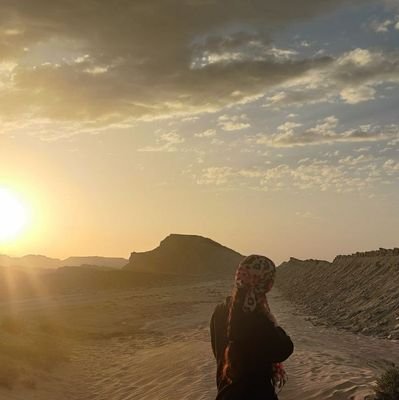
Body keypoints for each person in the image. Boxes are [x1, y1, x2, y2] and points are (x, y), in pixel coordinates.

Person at [210, 254, 294, 400]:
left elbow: (218, 351)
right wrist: (274, 324)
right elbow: (284, 348)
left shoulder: (220, 310)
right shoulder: (258, 317)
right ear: (266, 284)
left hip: (226, 393)